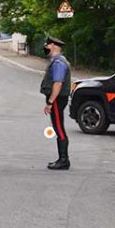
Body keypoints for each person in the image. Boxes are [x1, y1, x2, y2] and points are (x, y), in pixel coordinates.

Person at [41, 36, 72, 170]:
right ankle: (62, 159)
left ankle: (64, 160)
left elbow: (58, 83)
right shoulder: (57, 61)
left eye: (46, 45)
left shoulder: (59, 62)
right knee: (58, 127)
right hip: (58, 99)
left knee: (59, 128)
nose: (45, 47)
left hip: (57, 100)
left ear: (52, 45)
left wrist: (50, 102)